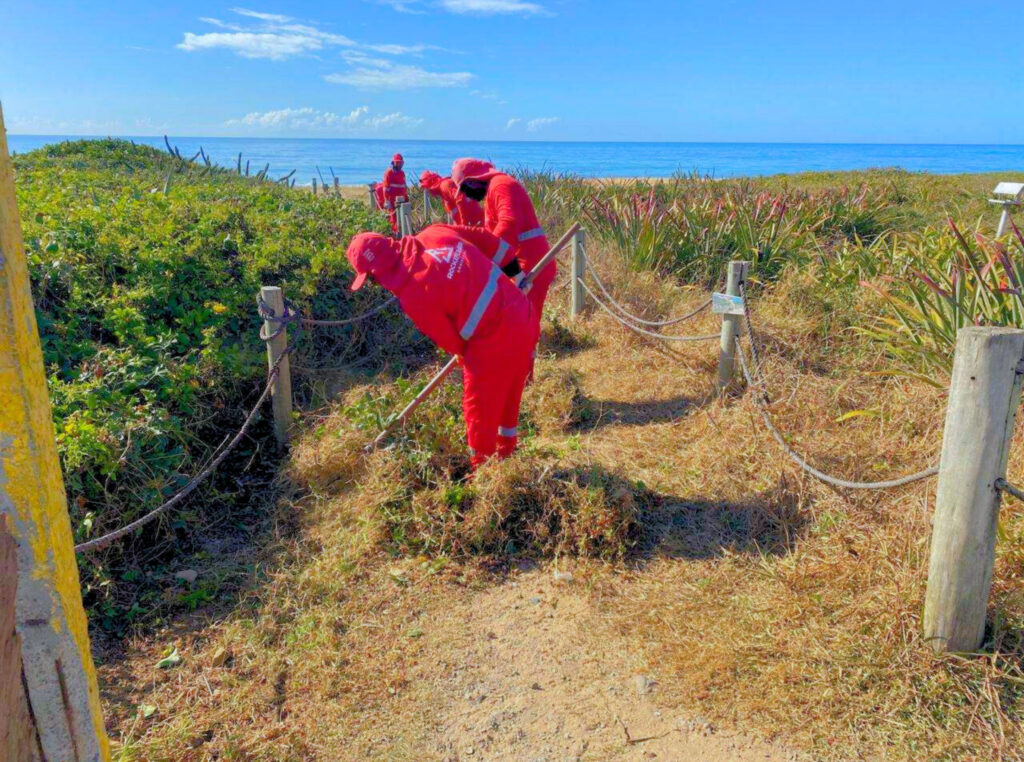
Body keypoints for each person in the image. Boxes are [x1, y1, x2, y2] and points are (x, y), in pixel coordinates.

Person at [346, 224, 538, 468]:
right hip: (523, 316)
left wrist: (461, 354)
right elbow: (485, 239)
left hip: (494, 341)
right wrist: (515, 271)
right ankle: (507, 456)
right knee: (509, 394)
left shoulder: (412, 291)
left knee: (479, 410)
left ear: (377, 271)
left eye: (371, 279)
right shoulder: (435, 232)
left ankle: (483, 474)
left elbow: (448, 338)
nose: (376, 284)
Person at [450, 158, 554, 318]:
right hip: (521, 263)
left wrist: (489, 258)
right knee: (517, 319)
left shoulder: (500, 185)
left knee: (520, 320)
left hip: (530, 265)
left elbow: (508, 223)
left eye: (463, 188)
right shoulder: (495, 189)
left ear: (472, 181)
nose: (465, 195)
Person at [419, 170, 484, 227]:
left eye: (426, 188)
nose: (428, 191)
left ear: (431, 183)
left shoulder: (445, 185)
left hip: (473, 223)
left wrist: (464, 224)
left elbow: (460, 200)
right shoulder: (442, 190)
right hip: (467, 225)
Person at [381, 153, 408, 234]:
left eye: (401, 162)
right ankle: (395, 235)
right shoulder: (389, 172)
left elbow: (403, 187)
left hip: (401, 200)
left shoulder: (402, 173)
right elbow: (385, 188)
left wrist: (406, 198)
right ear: (394, 162)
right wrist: (387, 201)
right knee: (393, 219)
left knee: (402, 219)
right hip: (392, 201)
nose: (400, 164)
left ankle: (402, 233)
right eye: (398, 162)